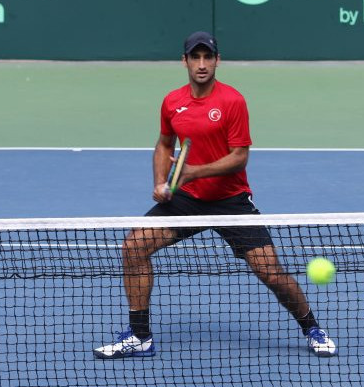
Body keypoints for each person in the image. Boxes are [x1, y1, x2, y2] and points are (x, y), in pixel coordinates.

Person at [93, 31, 335, 359]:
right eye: (196, 57)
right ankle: (139, 335)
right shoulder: (172, 102)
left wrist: (193, 171)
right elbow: (165, 144)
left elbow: (239, 157)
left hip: (230, 201)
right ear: (185, 61)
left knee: (270, 272)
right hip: (186, 200)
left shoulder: (232, 101)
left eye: (209, 57)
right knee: (134, 248)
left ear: (218, 60)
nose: (202, 64)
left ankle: (311, 327)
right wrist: (161, 181)